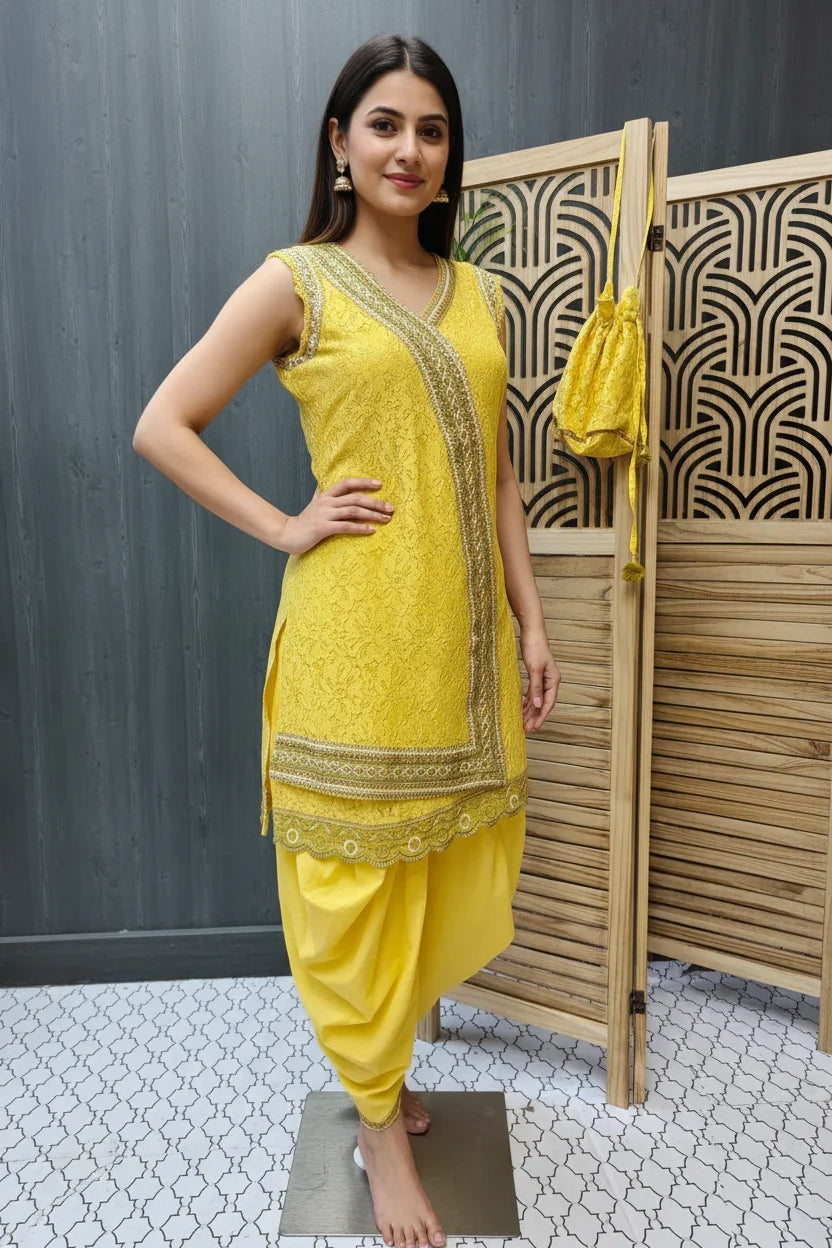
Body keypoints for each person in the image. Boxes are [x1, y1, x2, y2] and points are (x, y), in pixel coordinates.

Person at [133, 32, 560, 1248]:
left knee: (431, 878)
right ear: (338, 141)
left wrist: (533, 624)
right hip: (353, 642)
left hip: (459, 649)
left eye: (431, 130)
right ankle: (378, 1139)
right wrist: (284, 522)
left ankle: (388, 1075)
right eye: (384, 124)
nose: (409, 150)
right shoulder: (297, 282)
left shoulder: (476, 293)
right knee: (355, 890)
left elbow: (501, 487)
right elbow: (164, 422)